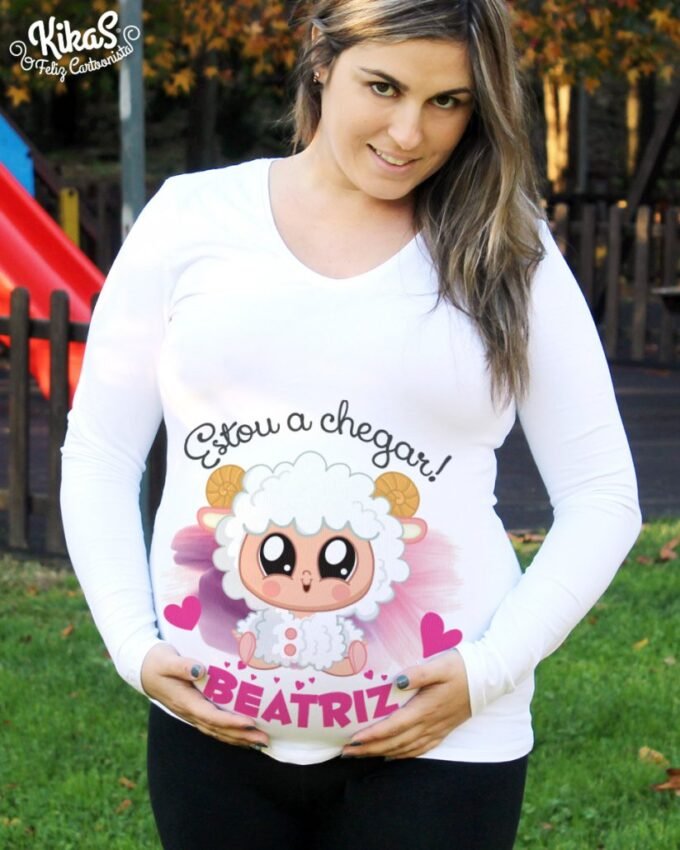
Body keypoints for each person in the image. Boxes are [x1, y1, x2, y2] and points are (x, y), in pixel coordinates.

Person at [60, 1, 642, 848]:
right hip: (212, 737)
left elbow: (603, 495)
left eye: (448, 102)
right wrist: (131, 647)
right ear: (322, 58)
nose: (410, 133)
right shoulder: (192, 219)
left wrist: (487, 671)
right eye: (384, 87)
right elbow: (101, 455)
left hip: (444, 749)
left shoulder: (508, 247)